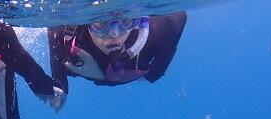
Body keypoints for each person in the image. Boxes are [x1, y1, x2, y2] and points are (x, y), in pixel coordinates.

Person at [46, 12, 187, 111]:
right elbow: (53, 28)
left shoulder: (160, 33)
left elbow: (180, 17)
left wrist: (100, 75)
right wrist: (60, 81)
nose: (114, 34)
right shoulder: (69, 33)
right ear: (86, 22)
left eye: (126, 20)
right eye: (101, 23)